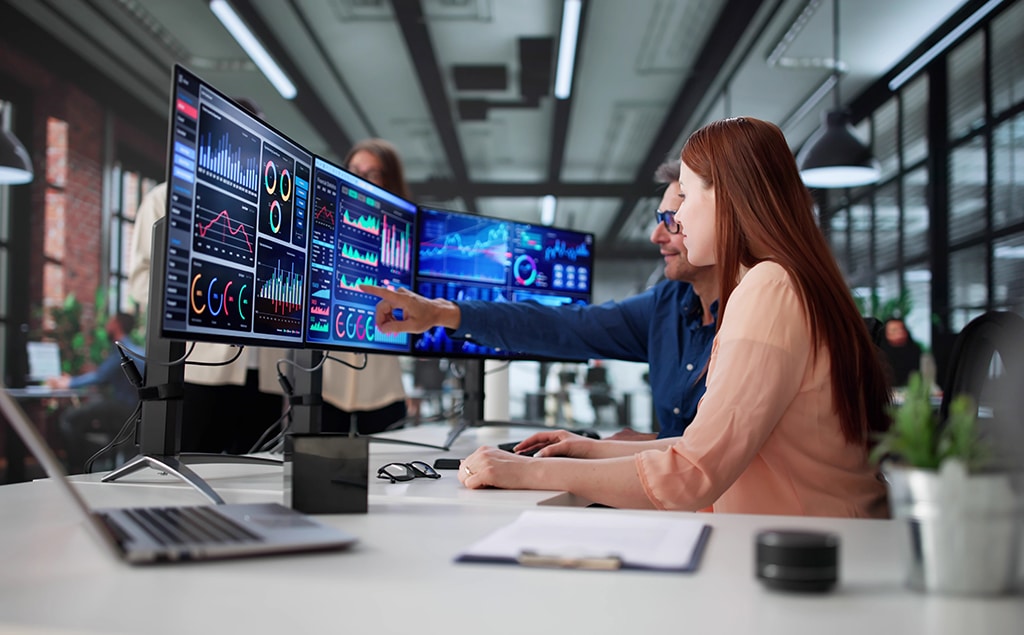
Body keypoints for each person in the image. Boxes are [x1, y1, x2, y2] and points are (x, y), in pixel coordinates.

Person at [371, 117, 893, 517]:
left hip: (811, 555)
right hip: (799, 538)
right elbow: (705, 447)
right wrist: (587, 451)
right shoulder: (784, 282)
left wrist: (524, 471)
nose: (674, 222)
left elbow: (690, 473)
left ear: (730, 200)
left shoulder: (769, 286)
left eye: (684, 199)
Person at [360, 158, 719, 441]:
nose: (657, 235)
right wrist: (444, 312)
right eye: (660, 219)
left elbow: (708, 455)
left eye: (672, 219)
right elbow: (563, 325)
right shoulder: (667, 304)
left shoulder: (755, 310)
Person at [319, 138, 409, 434]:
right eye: (354, 170)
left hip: (383, 388)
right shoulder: (324, 228)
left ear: (389, 180)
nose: (359, 179)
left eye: (371, 173)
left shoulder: (404, 239)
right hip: (326, 386)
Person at [48, 313, 144, 471]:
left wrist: (69, 382)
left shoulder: (123, 349)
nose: (106, 324)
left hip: (124, 408)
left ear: (117, 325)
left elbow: (100, 376)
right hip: (133, 409)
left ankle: (77, 468)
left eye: (110, 321)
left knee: (69, 418)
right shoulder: (133, 348)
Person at [879, 317, 922, 387]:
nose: (899, 333)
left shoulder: (915, 350)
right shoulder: (879, 352)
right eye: (894, 330)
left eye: (902, 329)